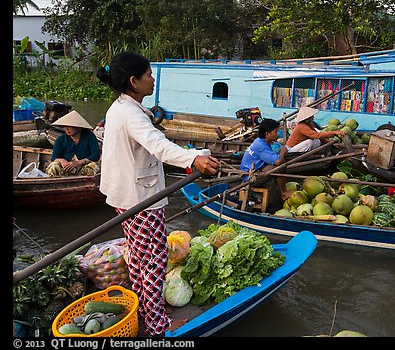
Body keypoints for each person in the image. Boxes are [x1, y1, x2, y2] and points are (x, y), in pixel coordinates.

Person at [96, 51, 220, 337]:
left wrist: (196, 154)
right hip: (141, 199)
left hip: (125, 194)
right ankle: (155, 325)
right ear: (134, 81)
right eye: (149, 75)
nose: (152, 80)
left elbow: (156, 144)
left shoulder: (119, 107)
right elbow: (159, 145)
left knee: (139, 258)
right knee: (154, 259)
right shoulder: (130, 114)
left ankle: (143, 309)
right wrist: (193, 160)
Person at [239, 118, 291, 200]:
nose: (278, 134)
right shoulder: (262, 146)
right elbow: (278, 162)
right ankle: (283, 192)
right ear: (267, 134)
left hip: (252, 171)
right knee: (280, 166)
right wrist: (282, 151)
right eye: (275, 132)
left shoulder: (259, 140)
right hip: (250, 177)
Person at [45, 110, 101, 177]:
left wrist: (78, 163)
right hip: (66, 168)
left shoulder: (89, 137)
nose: (67, 129)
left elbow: (95, 155)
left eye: (70, 126)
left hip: (83, 167)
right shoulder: (60, 140)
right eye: (65, 126)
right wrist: (62, 161)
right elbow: (54, 157)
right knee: (54, 166)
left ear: (78, 127)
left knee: (94, 166)